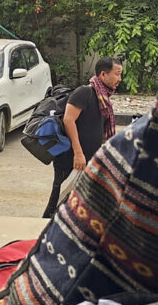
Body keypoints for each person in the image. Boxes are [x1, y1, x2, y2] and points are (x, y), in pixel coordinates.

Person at [42, 57, 123, 219]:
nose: (119, 79)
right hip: (70, 159)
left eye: (121, 75)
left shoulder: (104, 98)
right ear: (103, 74)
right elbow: (68, 119)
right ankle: (42, 234)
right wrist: (78, 153)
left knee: (80, 205)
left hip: (89, 161)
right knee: (58, 203)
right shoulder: (84, 92)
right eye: (117, 74)